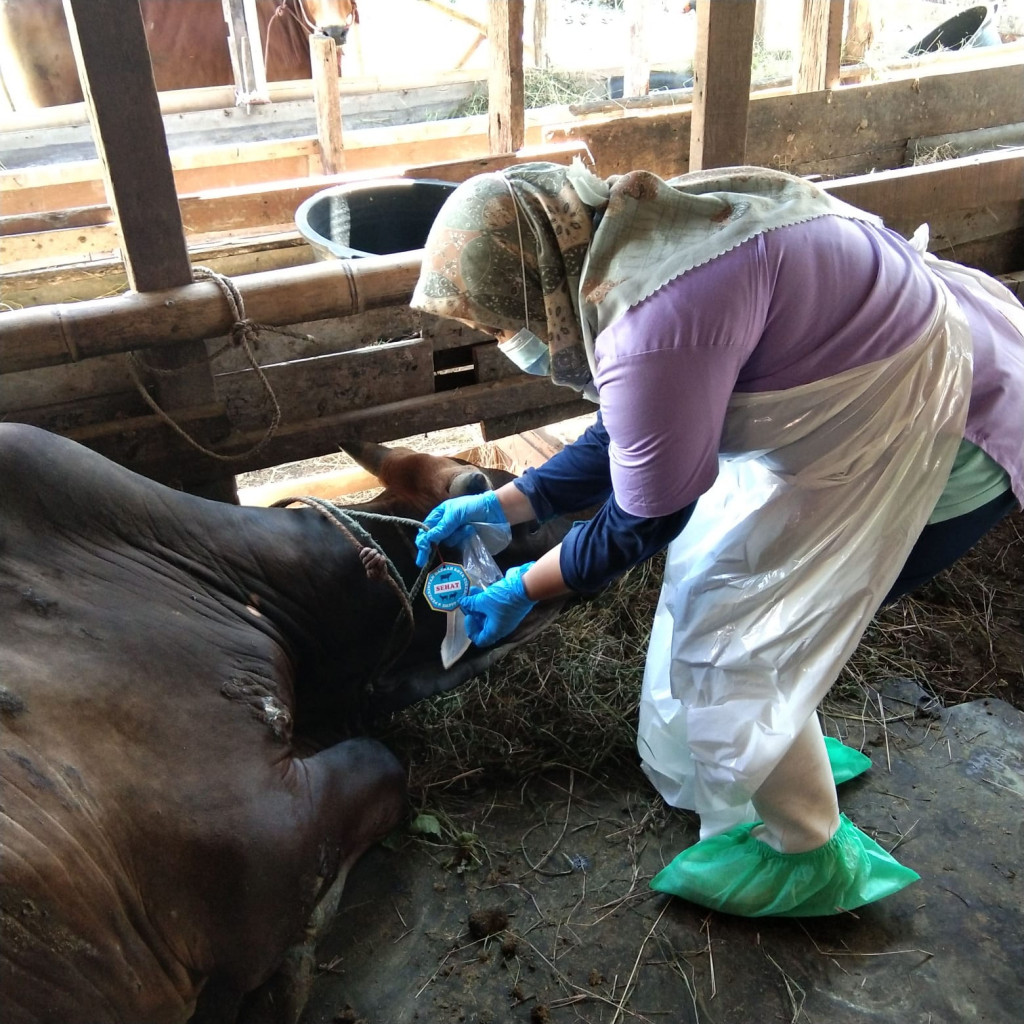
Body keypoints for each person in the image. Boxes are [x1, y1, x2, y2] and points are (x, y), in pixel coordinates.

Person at [408, 160, 1024, 918]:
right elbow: (633, 430)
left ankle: (808, 850)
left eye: (504, 321)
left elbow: (646, 515)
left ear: (535, 280)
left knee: (754, 630)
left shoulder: (653, 321)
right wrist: (507, 503)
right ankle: (762, 754)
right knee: (716, 580)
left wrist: (521, 586)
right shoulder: (633, 241)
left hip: (942, 428)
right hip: (874, 390)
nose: (512, 340)